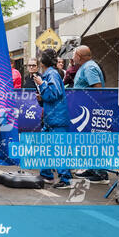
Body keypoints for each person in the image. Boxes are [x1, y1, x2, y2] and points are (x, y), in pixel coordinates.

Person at [33, 48, 73, 189]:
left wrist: (41, 84)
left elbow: (54, 94)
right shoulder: (50, 73)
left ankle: (66, 179)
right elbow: (49, 97)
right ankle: (46, 174)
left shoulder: (52, 74)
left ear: (42, 62)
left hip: (57, 119)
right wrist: (41, 97)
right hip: (52, 118)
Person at [71, 45, 108, 183]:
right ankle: (92, 169)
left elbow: (97, 89)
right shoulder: (85, 67)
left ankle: (100, 174)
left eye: (74, 54)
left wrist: (90, 107)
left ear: (79, 56)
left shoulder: (89, 68)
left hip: (90, 111)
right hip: (85, 110)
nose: (72, 57)